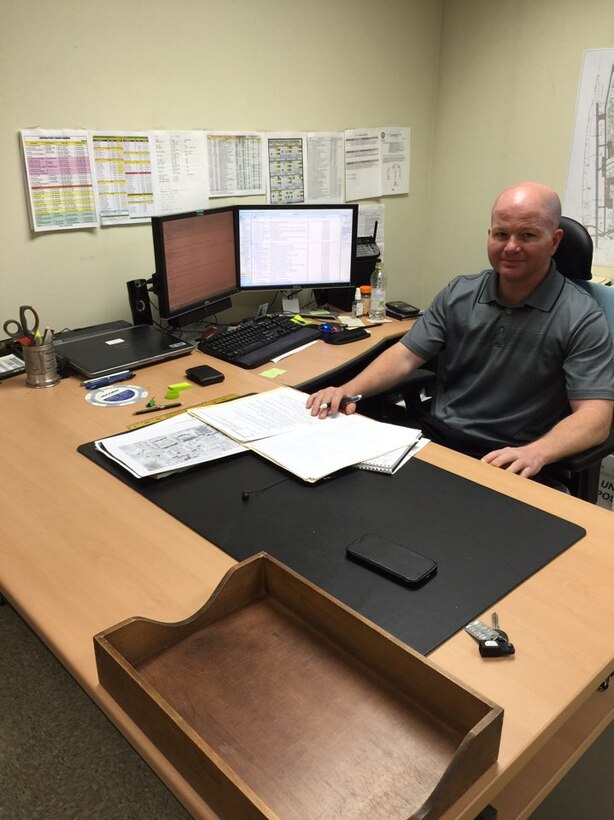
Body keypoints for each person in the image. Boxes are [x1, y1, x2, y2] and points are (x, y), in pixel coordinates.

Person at [306, 182, 614, 481]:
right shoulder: (460, 293)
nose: (511, 247)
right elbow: (404, 356)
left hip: (511, 457)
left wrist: (538, 452)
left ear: (555, 241)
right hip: (436, 437)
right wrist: (348, 389)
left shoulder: (581, 316)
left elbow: (595, 418)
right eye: (501, 234)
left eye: (528, 235)